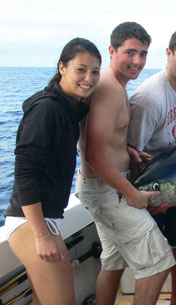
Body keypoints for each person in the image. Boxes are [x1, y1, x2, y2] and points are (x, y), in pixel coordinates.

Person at [76, 22, 175, 305]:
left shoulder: (116, 85)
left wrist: (128, 150)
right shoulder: (108, 87)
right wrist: (133, 194)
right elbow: (95, 156)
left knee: (113, 262)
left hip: (102, 186)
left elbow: (103, 141)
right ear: (112, 50)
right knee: (159, 263)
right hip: (108, 190)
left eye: (143, 54)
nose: (137, 61)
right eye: (130, 53)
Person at [4, 37, 101, 305]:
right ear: (62, 67)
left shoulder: (68, 108)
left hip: (46, 219)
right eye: (81, 70)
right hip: (31, 223)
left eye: (95, 72)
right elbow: (24, 174)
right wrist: (42, 235)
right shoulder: (47, 109)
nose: (89, 78)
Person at [127, 27, 176, 305]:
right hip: (154, 188)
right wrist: (156, 199)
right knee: (155, 254)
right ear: (169, 53)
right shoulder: (148, 98)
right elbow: (133, 159)